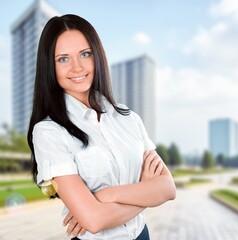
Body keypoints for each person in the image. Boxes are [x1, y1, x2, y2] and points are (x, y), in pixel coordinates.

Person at [27, 14, 176, 240]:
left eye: (85, 54)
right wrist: (147, 193)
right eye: (63, 59)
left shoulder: (128, 118)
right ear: (50, 66)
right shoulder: (49, 132)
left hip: (142, 234)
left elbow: (167, 188)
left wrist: (105, 195)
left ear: (97, 56)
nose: (77, 67)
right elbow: (94, 221)